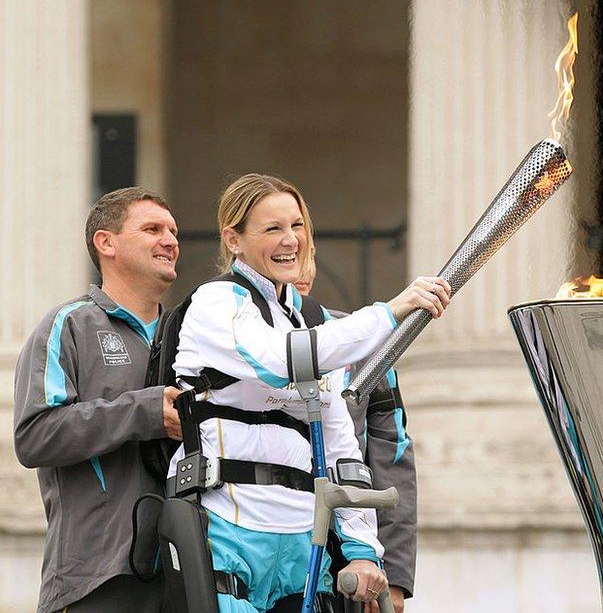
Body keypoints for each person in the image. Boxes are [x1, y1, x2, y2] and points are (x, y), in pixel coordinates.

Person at [168, 173, 449, 612]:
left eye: (296, 226)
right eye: (272, 228)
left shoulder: (302, 324)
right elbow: (279, 361)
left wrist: (362, 548)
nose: (290, 240)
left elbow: (340, 447)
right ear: (233, 239)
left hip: (304, 539)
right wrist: (391, 311)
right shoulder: (215, 302)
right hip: (226, 527)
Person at [13, 188, 183, 612]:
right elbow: (34, 436)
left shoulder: (192, 337)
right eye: (152, 229)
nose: (170, 240)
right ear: (106, 243)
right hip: (95, 577)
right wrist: (145, 412)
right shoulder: (68, 325)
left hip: (187, 571)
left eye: (173, 231)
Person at [296, 258, 416, 613]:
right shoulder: (233, 330)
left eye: (309, 253)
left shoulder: (362, 340)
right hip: (259, 545)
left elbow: (393, 461)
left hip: (351, 563)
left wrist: (393, 577)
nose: (300, 267)